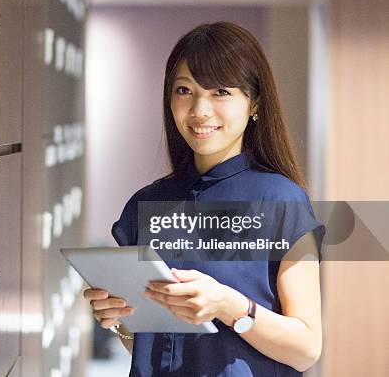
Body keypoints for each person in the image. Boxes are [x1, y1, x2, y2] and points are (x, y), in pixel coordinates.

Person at [83, 21, 326, 376]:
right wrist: (120, 320)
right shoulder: (146, 205)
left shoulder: (283, 202)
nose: (199, 110)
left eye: (221, 92)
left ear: (254, 101)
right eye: (185, 90)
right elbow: (151, 346)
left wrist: (230, 306)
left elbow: (306, 349)